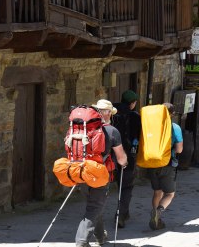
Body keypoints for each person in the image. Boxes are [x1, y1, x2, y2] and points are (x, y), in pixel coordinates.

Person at [75, 99, 128, 247]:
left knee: (95, 205)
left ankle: (100, 237)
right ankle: (81, 241)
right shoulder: (112, 131)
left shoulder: (83, 129)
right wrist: (124, 163)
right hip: (99, 175)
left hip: (82, 171)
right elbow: (121, 157)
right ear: (109, 113)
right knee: (94, 207)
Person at [146, 103, 183, 230]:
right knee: (169, 194)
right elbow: (179, 149)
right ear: (171, 114)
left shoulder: (151, 126)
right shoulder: (174, 127)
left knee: (157, 192)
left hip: (151, 163)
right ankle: (158, 213)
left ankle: (156, 217)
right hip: (166, 164)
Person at [112, 90, 141, 228]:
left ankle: (123, 212)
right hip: (127, 156)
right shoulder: (135, 117)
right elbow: (139, 136)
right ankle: (121, 215)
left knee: (103, 189)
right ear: (133, 103)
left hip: (109, 157)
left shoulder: (111, 114)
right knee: (126, 187)